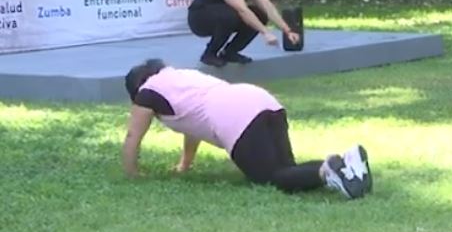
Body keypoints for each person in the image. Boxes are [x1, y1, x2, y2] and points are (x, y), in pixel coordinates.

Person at [122, 59, 372, 199]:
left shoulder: (147, 93)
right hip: (261, 100)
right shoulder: (180, 77)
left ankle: (329, 170)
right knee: (287, 170)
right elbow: (192, 127)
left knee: (270, 179)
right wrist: (185, 164)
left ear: (137, 86)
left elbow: (133, 135)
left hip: (235, 115)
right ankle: (346, 165)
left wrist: (131, 174)